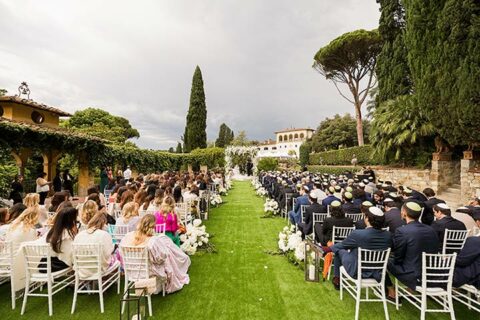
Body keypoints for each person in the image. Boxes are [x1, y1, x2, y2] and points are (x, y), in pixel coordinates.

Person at [120, 214, 190, 294]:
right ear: (153, 226)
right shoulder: (152, 241)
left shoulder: (128, 236)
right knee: (168, 257)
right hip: (148, 272)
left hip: (132, 271)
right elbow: (160, 259)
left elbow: (121, 253)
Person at [326, 206, 392, 290]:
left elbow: (343, 245)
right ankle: (337, 279)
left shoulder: (358, 234)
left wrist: (328, 249)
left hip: (358, 271)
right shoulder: (388, 235)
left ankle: (337, 279)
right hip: (378, 272)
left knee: (340, 250)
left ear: (367, 219)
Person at [386, 202, 440, 300]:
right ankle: (409, 290)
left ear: (404, 213)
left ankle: (391, 292)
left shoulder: (402, 231)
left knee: (384, 261)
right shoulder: (431, 229)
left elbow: (399, 255)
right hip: (431, 272)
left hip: (413, 274)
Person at [74, 211, 115, 278]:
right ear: (104, 223)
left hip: (82, 269)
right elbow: (108, 253)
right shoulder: (103, 234)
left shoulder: (79, 235)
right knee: (115, 256)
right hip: (98, 269)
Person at [37, 207, 78, 272]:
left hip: (45, 263)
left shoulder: (52, 231)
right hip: (57, 264)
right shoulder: (66, 235)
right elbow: (69, 256)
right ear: (72, 220)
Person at [453, 212, 480, 289]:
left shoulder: (474, 241)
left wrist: (450, 259)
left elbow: (461, 261)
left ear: (478, 222)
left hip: (474, 278)